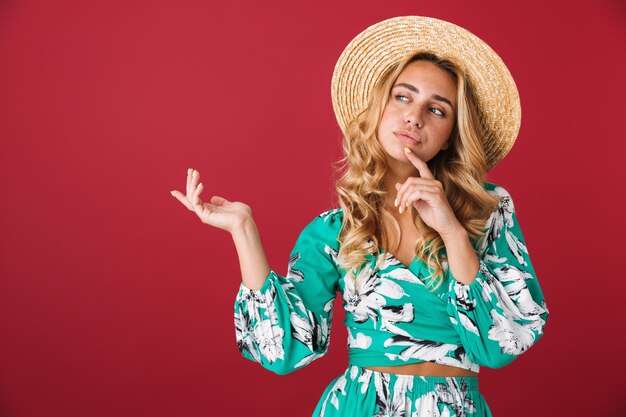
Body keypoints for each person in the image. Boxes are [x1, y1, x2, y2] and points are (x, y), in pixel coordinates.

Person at [170, 15, 549, 417]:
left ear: (451, 134)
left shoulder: (486, 209)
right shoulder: (335, 230)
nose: (414, 116)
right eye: (402, 97)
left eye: (437, 109)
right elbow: (283, 351)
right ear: (378, 109)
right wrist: (243, 229)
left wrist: (451, 230)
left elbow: (502, 344)